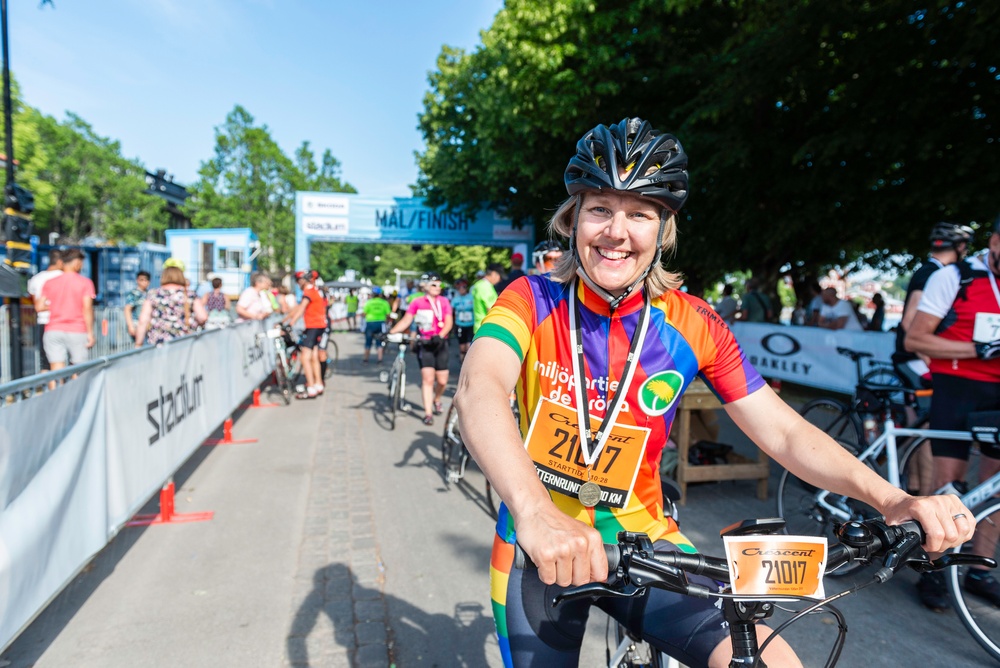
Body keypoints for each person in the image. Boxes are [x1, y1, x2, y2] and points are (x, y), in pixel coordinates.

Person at [454, 117, 973, 668]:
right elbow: (478, 387)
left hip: (643, 541)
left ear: (663, 230)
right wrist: (534, 511)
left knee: (774, 662)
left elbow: (783, 429)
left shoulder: (692, 322)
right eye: (600, 208)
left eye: (640, 213)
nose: (616, 231)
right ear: (573, 218)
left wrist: (892, 500)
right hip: (540, 542)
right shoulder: (531, 298)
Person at [905, 217, 1000, 611]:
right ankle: (935, 567)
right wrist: (978, 350)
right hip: (956, 388)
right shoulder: (956, 277)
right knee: (949, 483)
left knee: (994, 485)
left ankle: (978, 570)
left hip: (996, 393)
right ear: (994, 241)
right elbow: (915, 337)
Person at [894, 222, 973, 390]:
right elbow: (909, 320)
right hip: (915, 358)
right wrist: (929, 360)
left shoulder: (929, 270)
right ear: (959, 246)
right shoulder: (933, 273)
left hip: (912, 356)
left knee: (918, 410)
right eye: (965, 247)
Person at [387, 271, 453, 425]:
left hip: (440, 343)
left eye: (439, 284)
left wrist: (441, 335)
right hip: (424, 343)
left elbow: (449, 321)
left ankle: (437, 399)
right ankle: (428, 413)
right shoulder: (417, 302)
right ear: (426, 286)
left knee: (442, 380)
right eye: (434, 284)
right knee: (428, 379)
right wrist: (390, 332)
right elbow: (406, 320)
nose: (438, 287)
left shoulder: (443, 301)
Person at [36, 248, 95, 371]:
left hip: (53, 330)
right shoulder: (85, 282)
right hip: (77, 330)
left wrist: (56, 305)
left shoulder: (50, 282)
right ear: (77, 263)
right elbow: (87, 309)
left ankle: (55, 390)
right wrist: (90, 333)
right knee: (78, 369)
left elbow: (39, 306)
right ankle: (77, 391)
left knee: (55, 369)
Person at [134, 264, 207, 346]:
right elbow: (203, 317)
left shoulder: (153, 294)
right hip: (184, 342)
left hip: (159, 343)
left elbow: (143, 321)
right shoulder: (189, 294)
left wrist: (138, 343)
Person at [282, 270, 328, 399]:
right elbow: (298, 308)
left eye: (297, 281)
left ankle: (311, 388)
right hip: (319, 326)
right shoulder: (314, 289)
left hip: (313, 326)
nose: (297, 284)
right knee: (313, 356)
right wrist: (284, 320)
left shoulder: (308, 291)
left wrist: (290, 324)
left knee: (304, 358)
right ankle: (318, 384)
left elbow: (301, 308)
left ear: (302, 280)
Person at [26, 248, 63, 371]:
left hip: (43, 321)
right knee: (60, 361)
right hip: (61, 322)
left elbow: (33, 299)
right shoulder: (63, 277)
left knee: (45, 362)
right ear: (60, 262)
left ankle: (48, 388)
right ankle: (62, 389)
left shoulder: (36, 278)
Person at [471, 263, 505, 333]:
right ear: (494, 274)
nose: (500, 280)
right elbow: (492, 310)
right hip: (486, 329)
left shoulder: (479, 284)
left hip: (480, 327)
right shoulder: (485, 287)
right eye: (500, 276)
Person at [362, 287, 392, 364]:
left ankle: (365, 359)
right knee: (379, 342)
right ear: (380, 294)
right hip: (380, 323)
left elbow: (364, 314)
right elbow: (388, 314)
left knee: (368, 342)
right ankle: (380, 359)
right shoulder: (384, 303)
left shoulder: (369, 302)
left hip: (370, 323)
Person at [450, 278, 475, 363]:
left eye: (463, 287)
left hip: (470, 325)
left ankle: (468, 363)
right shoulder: (456, 299)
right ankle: (462, 363)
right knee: (462, 347)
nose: (461, 289)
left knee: (469, 346)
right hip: (460, 324)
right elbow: (451, 312)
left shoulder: (471, 298)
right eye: (459, 288)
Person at [123, 270, 151, 340]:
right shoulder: (133, 294)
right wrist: (130, 326)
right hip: (136, 325)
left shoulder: (149, 294)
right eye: (141, 280)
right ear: (137, 280)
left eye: (146, 280)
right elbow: (127, 310)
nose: (144, 282)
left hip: (148, 327)